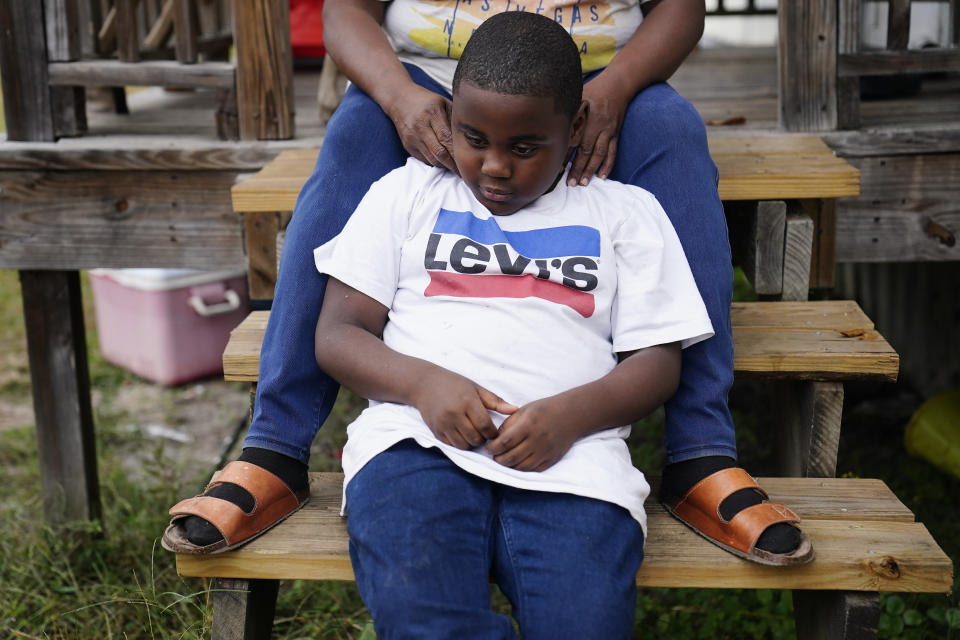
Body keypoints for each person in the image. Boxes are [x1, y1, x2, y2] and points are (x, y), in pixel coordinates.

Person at [163, 0, 810, 566]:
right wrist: (395, 94)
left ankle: (701, 450)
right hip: (424, 76)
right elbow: (345, 10)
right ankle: (275, 445)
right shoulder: (406, 91)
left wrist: (616, 88)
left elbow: (681, 8)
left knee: (672, 133)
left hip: (595, 78)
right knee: (354, 136)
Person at [319, 13, 718, 633]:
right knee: (423, 617)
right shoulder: (408, 194)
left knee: (585, 624)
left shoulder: (623, 212)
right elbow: (338, 335)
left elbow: (658, 363)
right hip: (415, 448)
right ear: (450, 114)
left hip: (575, 462)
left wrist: (570, 417)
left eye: (524, 147)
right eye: (473, 138)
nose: (495, 167)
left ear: (578, 124)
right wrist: (424, 385)